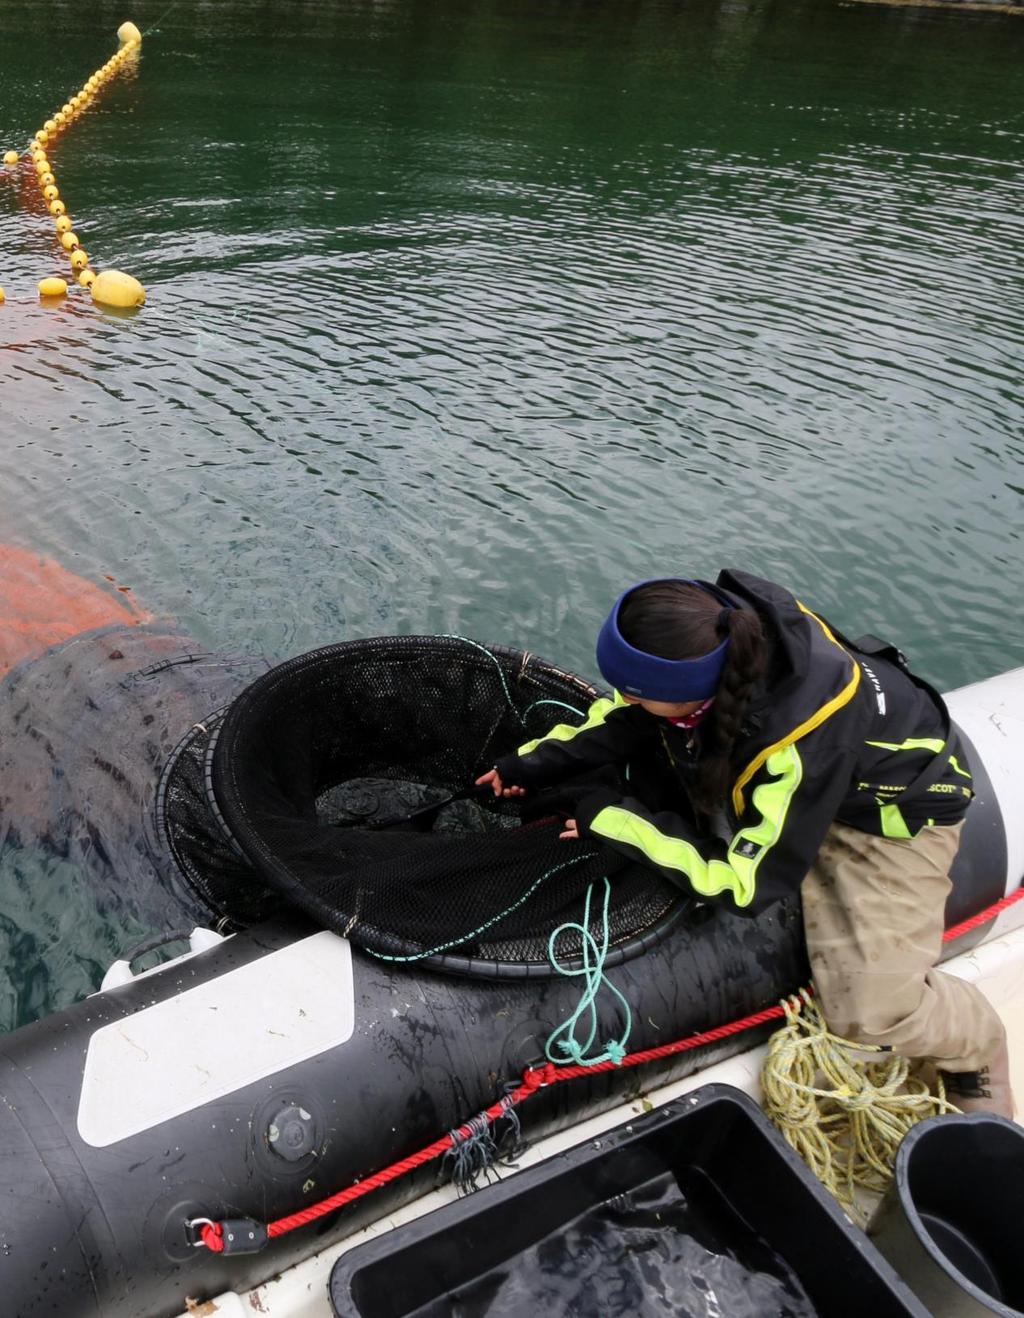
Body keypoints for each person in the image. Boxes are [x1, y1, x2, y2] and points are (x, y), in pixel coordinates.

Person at [477, 570, 1013, 1118]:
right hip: (812, 783)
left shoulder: (798, 750)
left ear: (691, 692)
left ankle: (976, 1046)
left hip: (885, 825)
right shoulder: (715, 639)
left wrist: (610, 819)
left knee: (870, 1013)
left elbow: (742, 886)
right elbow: (624, 719)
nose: (627, 699)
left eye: (638, 691)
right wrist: (531, 763)